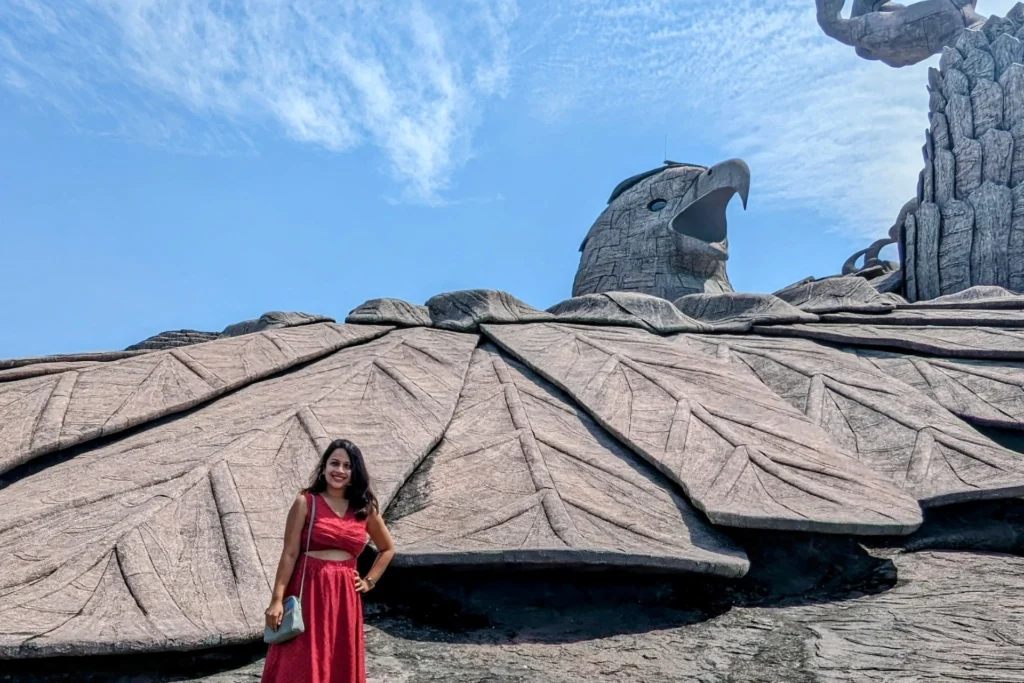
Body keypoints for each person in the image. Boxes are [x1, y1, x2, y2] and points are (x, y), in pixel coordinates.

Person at [262, 439, 396, 683]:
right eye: (334, 463)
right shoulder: (306, 502)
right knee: (300, 660)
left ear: (355, 472)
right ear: (324, 467)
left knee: (338, 659)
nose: (340, 471)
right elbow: (290, 554)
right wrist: (277, 600)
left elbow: (387, 549)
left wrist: (369, 582)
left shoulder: (364, 509)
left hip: (344, 596)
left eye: (347, 465)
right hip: (309, 591)